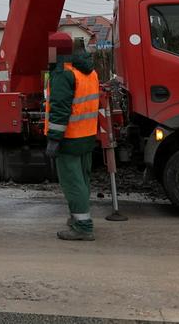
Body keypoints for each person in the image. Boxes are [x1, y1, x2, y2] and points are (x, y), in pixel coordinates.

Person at [44, 31, 100, 242]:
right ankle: (79, 218)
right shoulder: (89, 71)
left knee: (72, 182)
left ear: (55, 52)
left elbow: (60, 109)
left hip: (69, 137)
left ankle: (83, 226)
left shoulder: (63, 74)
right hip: (87, 134)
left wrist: (54, 139)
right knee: (83, 180)